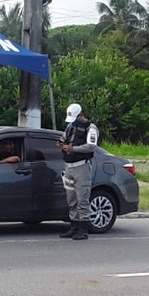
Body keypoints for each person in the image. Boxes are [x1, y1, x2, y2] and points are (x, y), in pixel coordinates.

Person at [59, 102, 100, 240]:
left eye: (75, 119)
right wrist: (61, 143)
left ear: (81, 115)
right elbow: (64, 138)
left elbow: (91, 147)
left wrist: (73, 149)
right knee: (71, 200)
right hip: (69, 167)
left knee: (82, 199)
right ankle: (74, 227)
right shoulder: (70, 126)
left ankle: (83, 230)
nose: (73, 122)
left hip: (82, 167)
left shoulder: (91, 128)